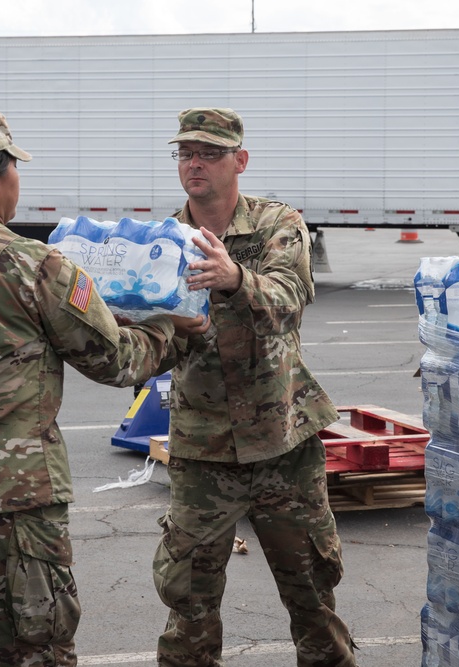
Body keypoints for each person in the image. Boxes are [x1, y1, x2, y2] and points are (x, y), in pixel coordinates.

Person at [0, 108, 204, 667]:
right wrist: (173, 328)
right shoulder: (33, 265)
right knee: (38, 654)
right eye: (13, 170)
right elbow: (115, 361)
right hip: (5, 504)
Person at [151, 108, 357, 667]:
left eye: (210, 153)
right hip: (202, 447)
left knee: (312, 596)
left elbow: (290, 297)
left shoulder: (276, 223)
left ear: (239, 161)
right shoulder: (165, 241)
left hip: (281, 442)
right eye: (185, 153)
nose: (195, 163)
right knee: (188, 601)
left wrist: (235, 278)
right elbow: (154, 338)